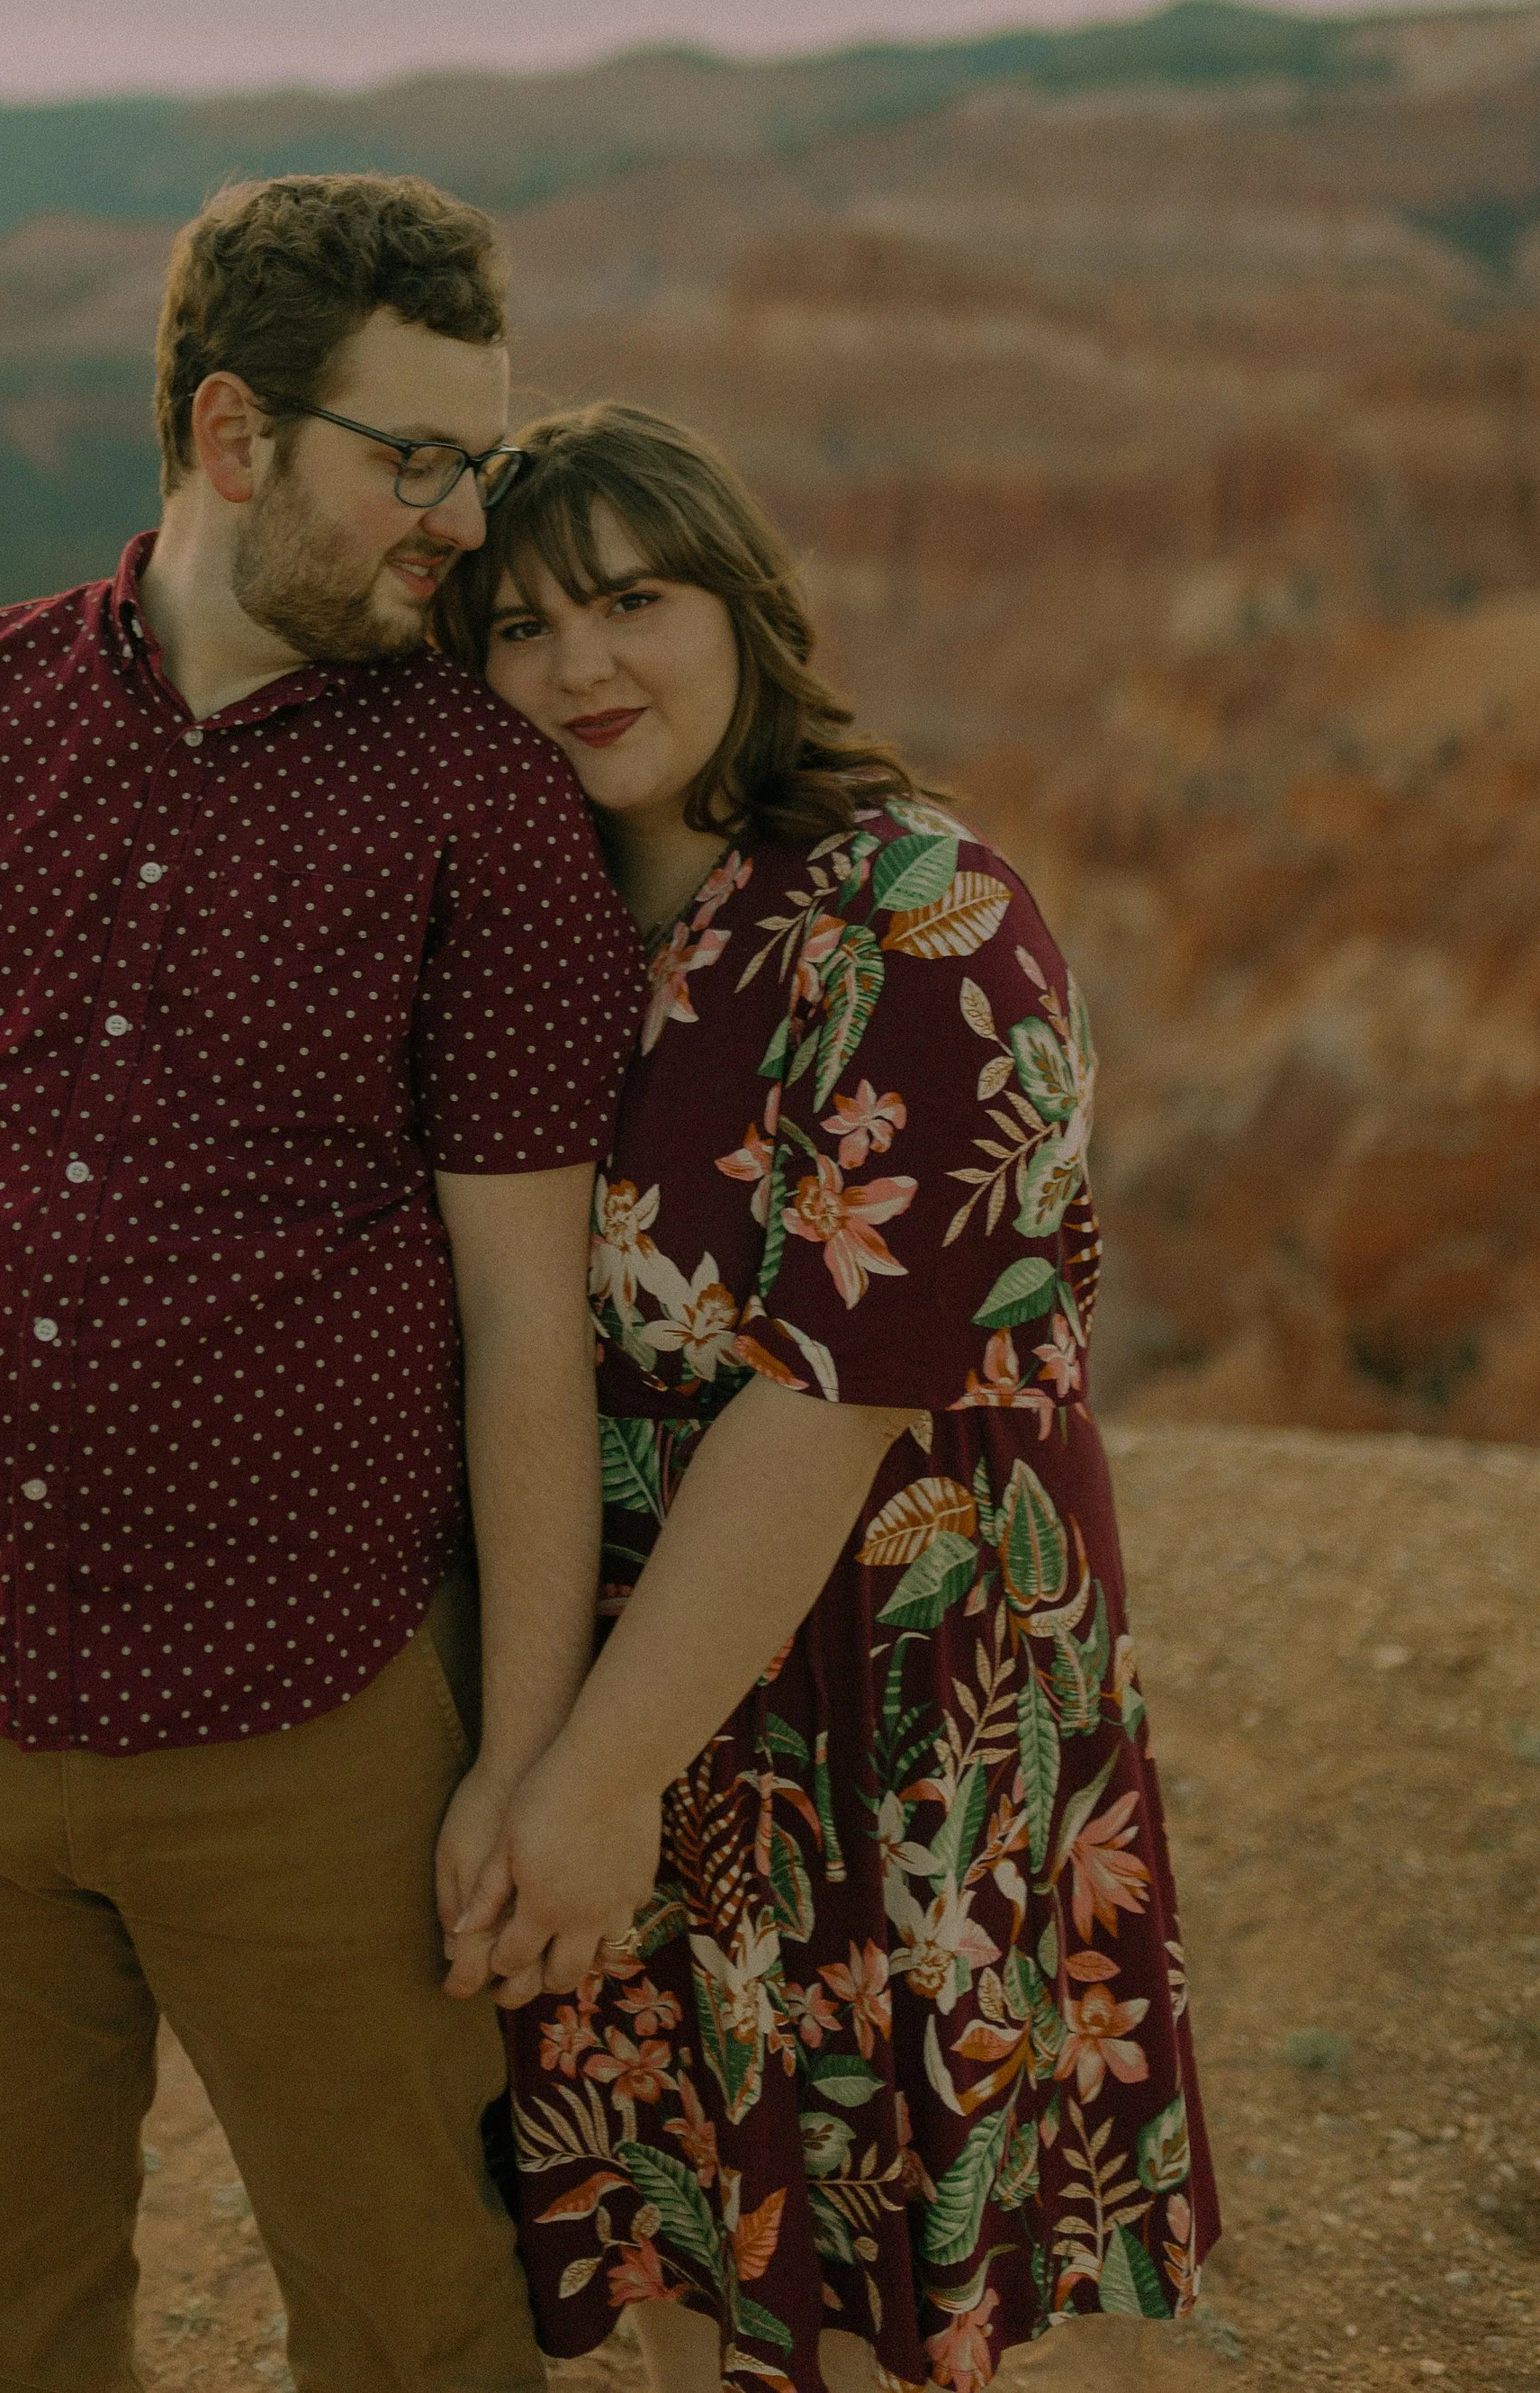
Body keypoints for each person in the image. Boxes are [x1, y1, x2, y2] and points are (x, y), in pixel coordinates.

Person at [0, 175, 647, 2393]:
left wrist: (509, 1757)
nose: (458, 522)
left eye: (474, 463)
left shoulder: (482, 811)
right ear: (234, 438)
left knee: (417, 2329)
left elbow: (527, 1320)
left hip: (306, 1745)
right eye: (412, 463)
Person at [431, 403, 1219, 2393]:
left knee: (871, 2259)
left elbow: (829, 1401)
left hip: (879, 1677)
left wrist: (586, 1783)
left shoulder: (921, 920)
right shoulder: (529, 927)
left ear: (742, 603)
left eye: (630, 600)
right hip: (611, 1655)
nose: (579, 664)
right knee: (685, 2230)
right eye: (519, 628)